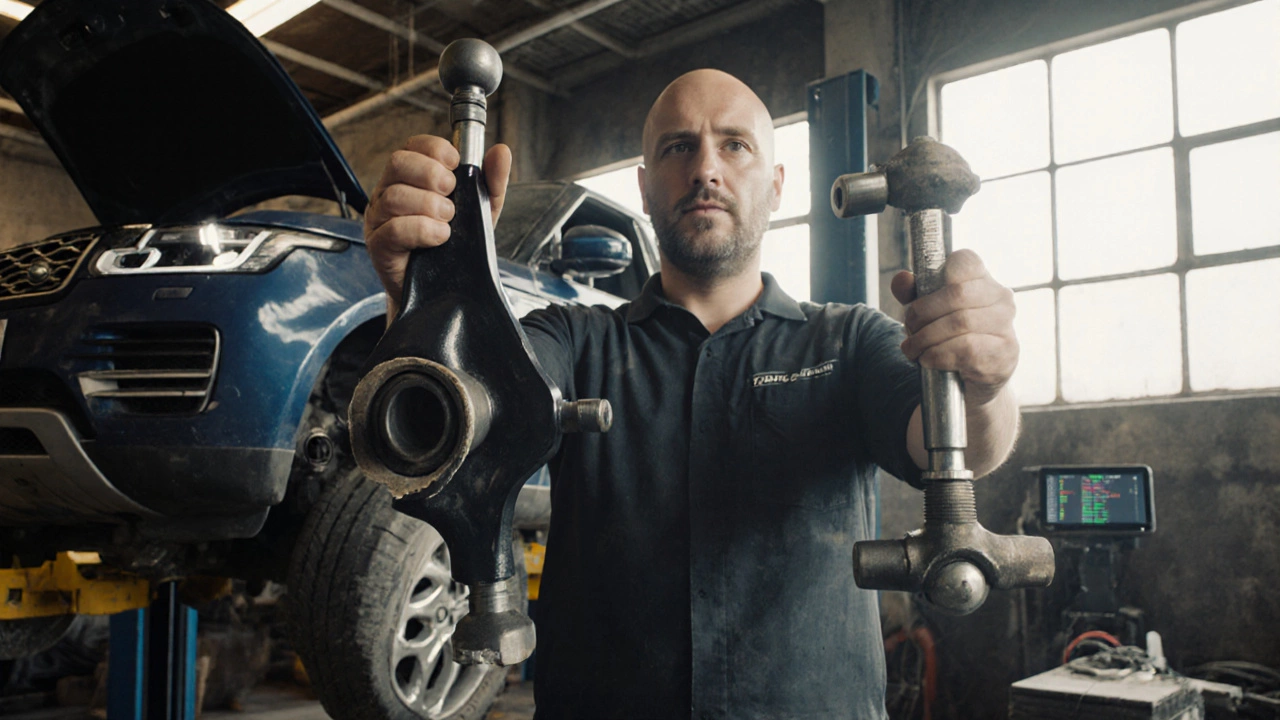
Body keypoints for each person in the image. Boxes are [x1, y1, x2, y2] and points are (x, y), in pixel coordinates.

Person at [363, 69, 1019, 720]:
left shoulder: (849, 343)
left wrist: (985, 382)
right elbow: (461, 420)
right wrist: (424, 300)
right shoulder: (573, 339)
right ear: (645, 188)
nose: (706, 168)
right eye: (678, 146)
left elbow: (961, 446)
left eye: (735, 144)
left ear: (777, 185)